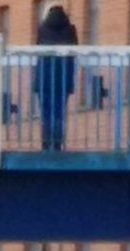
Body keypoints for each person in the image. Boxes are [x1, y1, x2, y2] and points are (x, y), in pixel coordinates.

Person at [35, 5, 79, 153]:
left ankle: (46, 145)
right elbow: (74, 51)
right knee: (59, 113)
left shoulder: (42, 29)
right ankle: (58, 145)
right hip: (63, 79)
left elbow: (38, 50)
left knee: (46, 114)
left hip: (44, 78)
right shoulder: (71, 29)